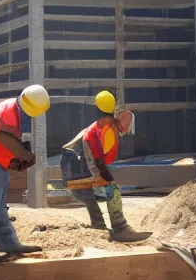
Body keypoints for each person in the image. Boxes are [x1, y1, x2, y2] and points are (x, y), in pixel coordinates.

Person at [0, 85, 51, 264]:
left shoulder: (10, 110)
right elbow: (5, 138)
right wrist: (25, 155)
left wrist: (12, 160)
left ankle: (8, 242)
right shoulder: (10, 111)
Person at [60, 90, 152, 243]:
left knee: (92, 198)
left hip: (75, 170)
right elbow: (95, 162)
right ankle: (120, 227)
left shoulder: (100, 127)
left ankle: (99, 226)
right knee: (112, 190)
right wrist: (105, 180)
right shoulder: (103, 132)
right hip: (78, 173)